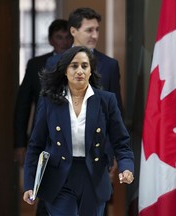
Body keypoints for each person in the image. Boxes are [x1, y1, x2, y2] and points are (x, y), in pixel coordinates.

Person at [23, 46, 134, 216]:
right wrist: (30, 184)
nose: (79, 71)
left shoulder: (106, 101)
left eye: (84, 66)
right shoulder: (49, 102)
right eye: (74, 66)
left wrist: (126, 167)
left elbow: (121, 141)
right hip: (59, 178)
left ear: (91, 71)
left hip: (93, 177)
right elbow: (35, 145)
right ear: (65, 71)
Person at [13, 19, 73, 216]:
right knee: (46, 194)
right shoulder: (36, 65)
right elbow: (22, 106)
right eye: (59, 37)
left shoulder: (81, 63)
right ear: (50, 40)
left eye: (67, 38)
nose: (64, 42)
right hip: (45, 141)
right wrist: (20, 144)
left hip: (76, 139)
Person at [46, 7, 123, 114]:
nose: (95, 35)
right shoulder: (53, 63)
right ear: (73, 31)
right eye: (89, 30)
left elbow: (116, 110)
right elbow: (46, 108)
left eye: (97, 29)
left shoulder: (110, 65)